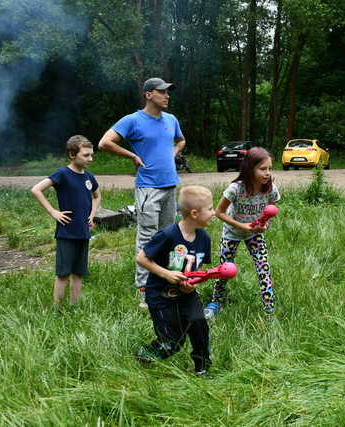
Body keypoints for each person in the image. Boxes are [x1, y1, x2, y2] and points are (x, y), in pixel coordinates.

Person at [98, 77, 186, 308]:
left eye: (168, 92)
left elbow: (181, 140)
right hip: (148, 188)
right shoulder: (133, 121)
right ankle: (144, 289)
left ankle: (167, 282)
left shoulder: (171, 119)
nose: (167, 96)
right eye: (162, 92)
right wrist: (132, 156)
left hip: (170, 186)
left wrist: (173, 153)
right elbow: (104, 143)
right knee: (147, 237)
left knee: (168, 236)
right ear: (149, 94)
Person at [135, 185, 214, 375]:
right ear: (194, 213)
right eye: (210, 209)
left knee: (198, 324)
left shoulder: (204, 238)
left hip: (187, 295)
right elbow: (141, 258)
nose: (214, 213)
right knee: (171, 343)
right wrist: (167, 274)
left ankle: (202, 367)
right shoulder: (168, 235)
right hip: (161, 296)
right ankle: (143, 356)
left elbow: (199, 268)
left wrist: (192, 284)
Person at [203, 147, 280, 319]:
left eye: (269, 168)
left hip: (254, 234)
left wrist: (265, 224)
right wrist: (242, 226)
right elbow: (219, 212)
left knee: (264, 270)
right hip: (232, 233)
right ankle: (216, 301)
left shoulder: (270, 188)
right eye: (262, 169)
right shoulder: (235, 189)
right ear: (249, 168)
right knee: (224, 269)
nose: (267, 173)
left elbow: (272, 208)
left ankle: (269, 311)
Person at [30, 135, 101, 308]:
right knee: (63, 273)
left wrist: (91, 215)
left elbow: (97, 196)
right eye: (85, 155)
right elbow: (36, 190)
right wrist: (53, 211)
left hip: (83, 232)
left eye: (91, 155)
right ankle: (57, 308)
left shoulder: (89, 177)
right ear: (72, 155)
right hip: (67, 232)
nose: (90, 159)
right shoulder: (62, 174)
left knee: (78, 272)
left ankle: (75, 306)